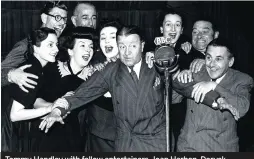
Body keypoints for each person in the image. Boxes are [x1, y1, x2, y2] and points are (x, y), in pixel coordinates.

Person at [40, 25, 181, 152]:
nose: (127, 52)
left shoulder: (156, 65)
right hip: (126, 145)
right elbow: (82, 93)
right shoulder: (112, 70)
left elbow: (179, 92)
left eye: (132, 46)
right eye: (122, 46)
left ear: (142, 46)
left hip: (157, 145)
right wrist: (58, 110)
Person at [174, 38, 253, 151]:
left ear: (230, 62)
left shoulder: (242, 80)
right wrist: (181, 75)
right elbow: (173, 98)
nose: (211, 64)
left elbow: (242, 107)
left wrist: (214, 86)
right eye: (208, 58)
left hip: (219, 148)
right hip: (188, 147)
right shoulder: (197, 72)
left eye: (218, 59)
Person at [28, 26, 97, 152]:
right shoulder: (51, 68)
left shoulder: (93, 77)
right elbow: (34, 100)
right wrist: (52, 107)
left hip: (73, 137)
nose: (88, 50)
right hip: (44, 130)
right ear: (70, 51)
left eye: (91, 46)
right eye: (82, 46)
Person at [1, 27, 59, 152]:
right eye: (50, 45)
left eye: (56, 44)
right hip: (5, 131)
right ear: (36, 48)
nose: (56, 49)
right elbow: (15, 115)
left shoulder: (35, 66)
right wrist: (48, 109)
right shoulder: (33, 71)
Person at [1, 1, 68, 91]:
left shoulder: (60, 46)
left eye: (64, 19)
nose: (62, 23)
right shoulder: (26, 45)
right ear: (44, 18)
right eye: (57, 17)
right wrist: (11, 75)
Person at [84, 20, 122, 152]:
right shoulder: (93, 69)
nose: (107, 41)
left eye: (112, 37)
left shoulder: (137, 66)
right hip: (99, 138)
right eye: (103, 37)